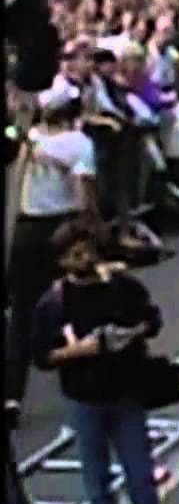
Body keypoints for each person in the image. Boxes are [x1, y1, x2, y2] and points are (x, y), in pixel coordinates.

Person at [29, 220, 164, 504]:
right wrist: (79, 350)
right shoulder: (54, 304)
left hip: (126, 393)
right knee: (97, 485)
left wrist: (130, 334)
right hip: (85, 400)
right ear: (63, 262)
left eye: (88, 250)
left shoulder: (121, 288)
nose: (86, 259)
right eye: (76, 255)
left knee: (141, 480)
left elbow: (153, 320)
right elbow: (42, 356)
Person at [6, 93, 101, 428]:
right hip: (62, 227)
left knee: (21, 314)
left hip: (27, 229)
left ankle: (11, 394)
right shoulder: (80, 144)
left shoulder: (30, 139)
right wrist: (92, 227)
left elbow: (16, 178)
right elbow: (84, 195)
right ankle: (84, 384)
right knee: (74, 302)